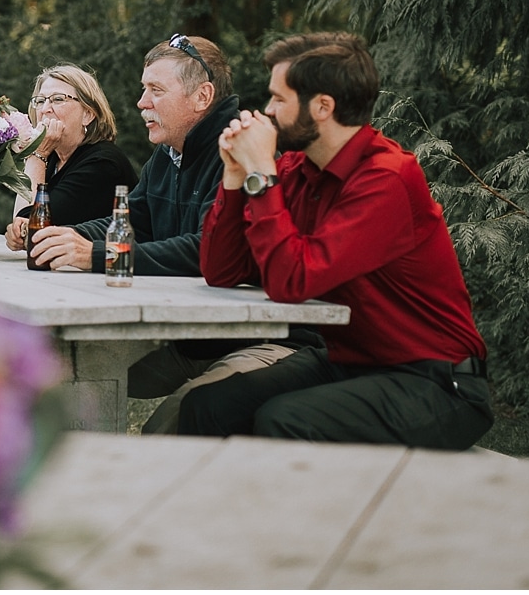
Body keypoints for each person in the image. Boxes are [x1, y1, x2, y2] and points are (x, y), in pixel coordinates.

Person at [176, 33, 492, 448]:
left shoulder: (387, 178)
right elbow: (222, 271)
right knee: (209, 405)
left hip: (435, 380)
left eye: (278, 99)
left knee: (285, 420)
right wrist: (236, 178)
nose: (267, 112)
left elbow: (293, 282)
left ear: (322, 107)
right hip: (351, 363)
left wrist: (261, 174)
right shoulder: (296, 170)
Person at [27, 34, 314, 434]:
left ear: (202, 96)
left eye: (156, 90)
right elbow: (136, 219)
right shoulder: (168, 153)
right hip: (187, 336)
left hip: (247, 336)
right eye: (144, 90)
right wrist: (60, 235)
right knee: (58, 370)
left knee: (165, 429)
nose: (142, 103)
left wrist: (93, 254)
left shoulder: (238, 150)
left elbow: (205, 250)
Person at [3, 64, 137, 246]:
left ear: (88, 114)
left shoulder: (103, 163)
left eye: (58, 99)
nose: (44, 109)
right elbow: (21, 227)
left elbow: (34, 230)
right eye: (40, 101)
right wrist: (18, 231)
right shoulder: (52, 158)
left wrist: (37, 154)